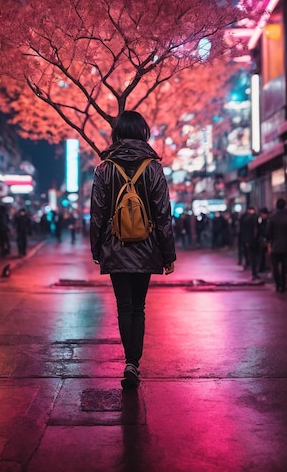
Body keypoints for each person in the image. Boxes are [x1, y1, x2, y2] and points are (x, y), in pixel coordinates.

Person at [90, 110, 176, 389]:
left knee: (124, 307)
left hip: (115, 248)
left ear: (116, 134)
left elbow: (97, 213)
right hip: (147, 247)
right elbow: (163, 214)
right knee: (139, 308)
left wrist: (97, 249)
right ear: (143, 132)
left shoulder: (104, 168)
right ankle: (133, 363)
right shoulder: (153, 168)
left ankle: (129, 362)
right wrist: (168, 254)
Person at [267, 198, 287, 293]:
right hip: (286, 246)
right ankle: (283, 285)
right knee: (284, 267)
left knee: (275, 267)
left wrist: (269, 242)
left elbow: (268, 232)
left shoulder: (272, 218)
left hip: (275, 245)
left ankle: (278, 285)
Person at [239, 206, 260, 280]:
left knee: (250, 255)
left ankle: (252, 269)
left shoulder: (244, 218)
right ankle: (255, 272)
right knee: (255, 256)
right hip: (255, 240)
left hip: (248, 239)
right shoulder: (255, 217)